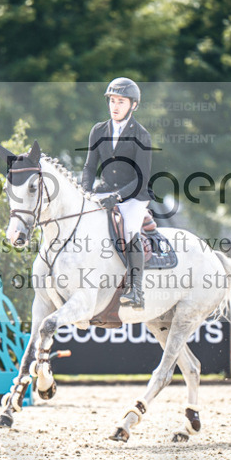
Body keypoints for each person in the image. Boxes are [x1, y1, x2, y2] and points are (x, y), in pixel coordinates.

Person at [81, 77, 153, 309]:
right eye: (112, 100)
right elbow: (90, 167)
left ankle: (136, 290)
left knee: (129, 229)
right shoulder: (98, 130)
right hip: (104, 191)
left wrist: (119, 197)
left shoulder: (141, 135)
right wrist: (84, 191)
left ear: (133, 105)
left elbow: (141, 178)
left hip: (133, 196)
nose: (115, 106)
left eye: (121, 101)